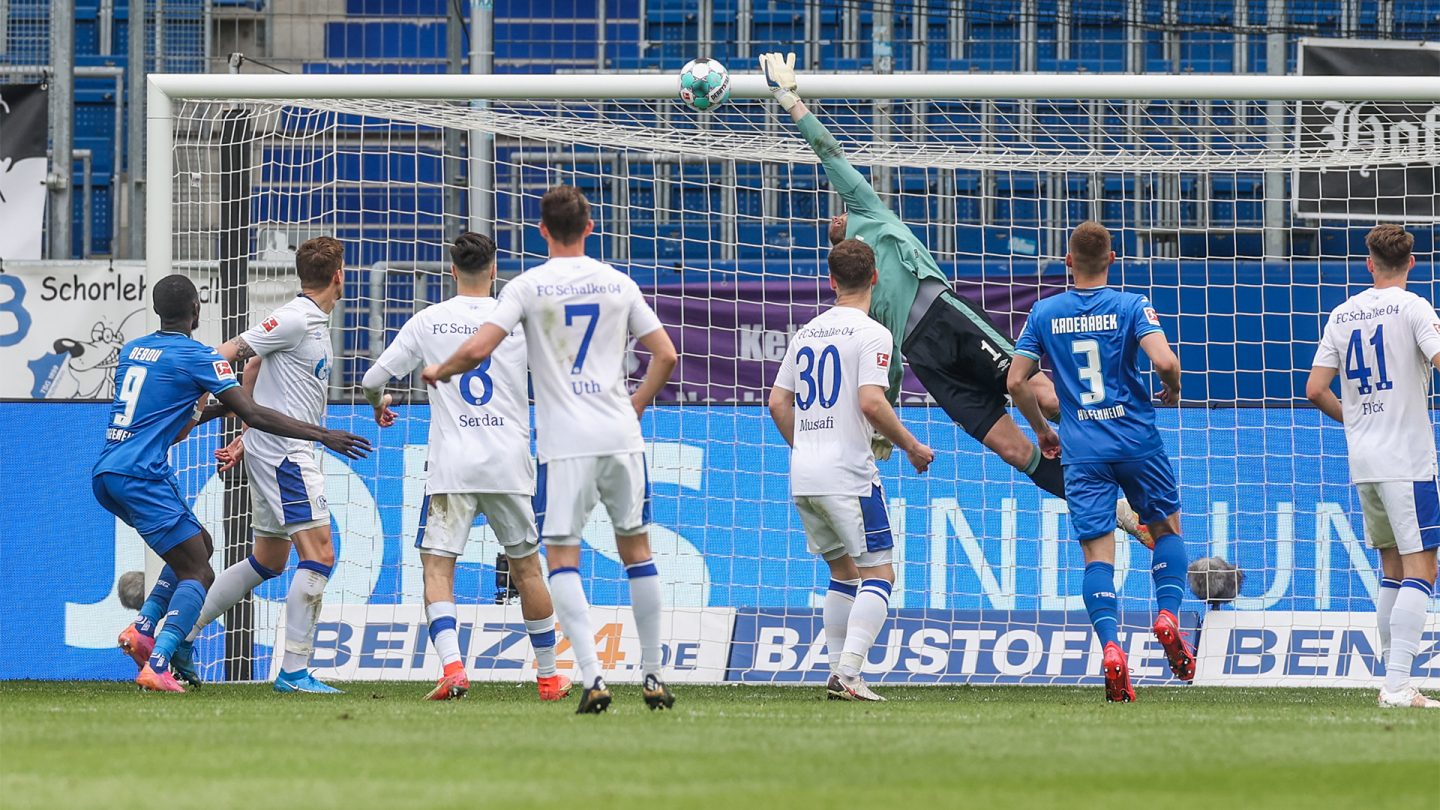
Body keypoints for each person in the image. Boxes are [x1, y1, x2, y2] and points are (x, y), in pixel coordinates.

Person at [758, 51, 1152, 547]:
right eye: (832, 231)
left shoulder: (869, 211)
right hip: (928, 363)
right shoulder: (859, 296)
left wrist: (792, 102)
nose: (833, 220)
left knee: (1044, 395)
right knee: (1013, 452)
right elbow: (885, 365)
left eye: (837, 217)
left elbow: (830, 153)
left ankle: (1127, 463)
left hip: (949, 318)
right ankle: (1117, 511)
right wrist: (887, 424)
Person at [423, 185, 680, 714]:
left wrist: (439, 369)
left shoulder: (528, 286)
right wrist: (634, 406)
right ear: (590, 226)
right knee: (638, 553)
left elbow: (478, 348)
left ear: (541, 230)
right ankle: (653, 673)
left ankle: (592, 678)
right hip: (619, 437)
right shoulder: (618, 282)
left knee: (562, 559)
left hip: (565, 445)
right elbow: (666, 355)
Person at [104, 275, 369, 692]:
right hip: (144, 473)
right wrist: (321, 434)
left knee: (211, 550)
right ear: (197, 310)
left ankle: (146, 628)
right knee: (198, 570)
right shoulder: (200, 355)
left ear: (157, 311)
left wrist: (221, 416)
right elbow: (255, 411)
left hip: (108, 469)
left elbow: (170, 422)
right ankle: (158, 658)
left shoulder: (132, 351)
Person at [360, 232, 571, 702]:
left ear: (451, 271)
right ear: (494, 270)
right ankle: (550, 677)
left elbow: (373, 379)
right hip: (510, 463)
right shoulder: (517, 320)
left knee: (437, 569)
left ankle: (454, 669)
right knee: (528, 571)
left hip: (452, 466)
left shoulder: (428, 320)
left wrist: (380, 403)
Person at [1007, 221, 1194, 703]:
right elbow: (1167, 362)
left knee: (1097, 555)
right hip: (1136, 441)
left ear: (1067, 263)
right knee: (1166, 530)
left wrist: (1044, 431)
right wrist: (1171, 390)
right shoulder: (1132, 305)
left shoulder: (1045, 312)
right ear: (1113, 259)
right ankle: (1168, 616)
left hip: (1083, 450)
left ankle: (1112, 649)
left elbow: (1015, 382)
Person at [180, 236, 353, 693]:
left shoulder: (311, 321)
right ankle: (294, 672)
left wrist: (245, 434)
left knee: (268, 559)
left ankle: (182, 634)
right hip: (286, 455)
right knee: (320, 555)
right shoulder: (296, 317)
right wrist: (197, 401)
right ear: (338, 276)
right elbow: (228, 352)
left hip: (270, 446)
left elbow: (255, 369)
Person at [768, 239, 935, 701]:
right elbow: (871, 401)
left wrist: (806, 446)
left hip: (804, 473)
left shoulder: (807, 332)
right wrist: (912, 446)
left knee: (844, 574)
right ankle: (849, 672)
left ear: (831, 281)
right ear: (876, 278)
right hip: (848, 475)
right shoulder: (873, 333)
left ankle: (838, 672)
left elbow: (777, 402)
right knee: (880, 575)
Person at [1307, 224, 1440, 710]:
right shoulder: (1416, 307)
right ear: (1411, 262)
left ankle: (1394, 678)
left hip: (1364, 458)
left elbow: (1315, 388)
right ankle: (1397, 686)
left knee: (1392, 568)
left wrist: (1358, 418)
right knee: (1423, 568)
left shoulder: (1343, 313)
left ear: (1369, 263)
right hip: (1407, 458)